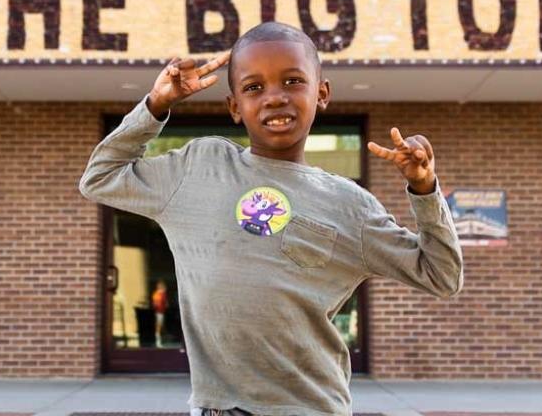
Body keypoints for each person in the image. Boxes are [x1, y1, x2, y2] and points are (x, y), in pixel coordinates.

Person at [80, 21, 463, 416]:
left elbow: (441, 275)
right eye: (253, 88)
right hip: (215, 408)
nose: (274, 98)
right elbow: (100, 179)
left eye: (293, 81)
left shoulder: (351, 205)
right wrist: (155, 107)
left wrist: (424, 188)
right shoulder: (199, 168)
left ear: (322, 93)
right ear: (234, 107)